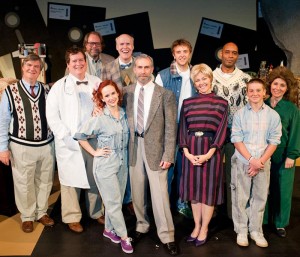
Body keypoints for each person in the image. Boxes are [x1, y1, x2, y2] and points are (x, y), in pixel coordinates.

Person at [123, 54, 178, 256]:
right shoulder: (126, 92)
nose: (143, 71)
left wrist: (169, 154)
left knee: (160, 195)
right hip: (133, 148)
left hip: (157, 150)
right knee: (137, 192)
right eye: (139, 67)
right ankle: (141, 225)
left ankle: (167, 235)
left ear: (152, 68)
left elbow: (172, 128)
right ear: (134, 69)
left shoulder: (165, 94)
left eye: (147, 67)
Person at [46, 47, 104, 233]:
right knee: (70, 180)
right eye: (74, 61)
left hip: (93, 139)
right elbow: (52, 115)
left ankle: (96, 212)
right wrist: (65, 135)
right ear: (68, 64)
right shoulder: (58, 86)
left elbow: (107, 104)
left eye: (81, 60)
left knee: (95, 177)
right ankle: (72, 216)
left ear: (85, 62)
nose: (78, 63)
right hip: (70, 141)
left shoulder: (97, 82)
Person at [74, 80, 133, 254]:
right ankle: (123, 236)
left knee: (115, 201)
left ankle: (108, 230)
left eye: (113, 93)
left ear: (118, 93)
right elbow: (80, 136)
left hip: (122, 163)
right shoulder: (99, 117)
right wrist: (94, 152)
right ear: (101, 98)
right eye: (106, 95)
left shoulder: (123, 113)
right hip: (105, 165)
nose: (111, 97)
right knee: (114, 204)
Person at [0, 54, 55, 233]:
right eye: (29, 65)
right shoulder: (10, 91)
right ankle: (27, 216)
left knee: (45, 181)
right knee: (23, 183)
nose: (32, 69)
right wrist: (3, 148)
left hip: (46, 145)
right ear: (23, 67)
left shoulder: (46, 90)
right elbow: (3, 120)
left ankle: (41, 212)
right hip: (21, 145)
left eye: (36, 66)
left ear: (40, 70)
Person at [179, 64, 228, 246]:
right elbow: (182, 129)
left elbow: (222, 131)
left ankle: (205, 228)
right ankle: (196, 225)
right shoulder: (187, 103)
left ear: (210, 78)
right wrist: (187, 153)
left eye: (204, 78)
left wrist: (209, 153)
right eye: (197, 80)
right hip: (190, 150)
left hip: (211, 151)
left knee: (207, 192)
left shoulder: (222, 103)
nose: (201, 83)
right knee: (194, 192)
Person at [231, 78, 282, 248]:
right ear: (247, 93)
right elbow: (237, 139)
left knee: (259, 197)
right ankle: (241, 231)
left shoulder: (273, 115)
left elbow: (274, 140)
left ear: (264, 93)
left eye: (258, 90)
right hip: (242, 161)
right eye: (251, 90)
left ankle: (256, 231)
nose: (254, 93)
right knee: (241, 197)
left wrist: (259, 162)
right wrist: (251, 160)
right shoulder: (239, 114)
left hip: (263, 162)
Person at [155, 39, 196, 218]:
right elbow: (156, 107)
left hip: (191, 129)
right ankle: (163, 206)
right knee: (167, 169)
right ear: (173, 54)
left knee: (185, 170)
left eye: (185, 51)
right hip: (169, 129)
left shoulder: (197, 74)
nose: (182, 55)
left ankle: (181, 203)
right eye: (178, 52)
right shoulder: (163, 76)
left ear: (190, 53)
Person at [212, 42, 252, 219]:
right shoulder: (210, 76)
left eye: (234, 53)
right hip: (213, 132)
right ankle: (211, 213)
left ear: (237, 56)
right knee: (212, 172)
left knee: (234, 174)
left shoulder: (245, 79)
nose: (230, 56)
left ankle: (232, 214)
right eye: (227, 52)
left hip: (236, 133)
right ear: (221, 54)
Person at [263, 66, 300, 238]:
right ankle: (261, 220)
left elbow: (295, 133)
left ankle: (280, 223)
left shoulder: (291, 109)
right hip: (263, 155)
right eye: (275, 84)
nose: (278, 88)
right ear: (270, 85)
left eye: (282, 85)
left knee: (283, 190)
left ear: (287, 89)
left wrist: (292, 155)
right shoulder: (261, 104)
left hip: (284, 156)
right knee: (262, 189)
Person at [101, 33, 136, 215]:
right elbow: (103, 92)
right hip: (116, 120)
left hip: (136, 120)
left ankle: (129, 198)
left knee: (131, 161)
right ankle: (116, 201)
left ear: (132, 45)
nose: (125, 47)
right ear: (116, 47)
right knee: (116, 160)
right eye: (121, 44)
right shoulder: (108, 68)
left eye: (128, 44)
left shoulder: (141, 64)